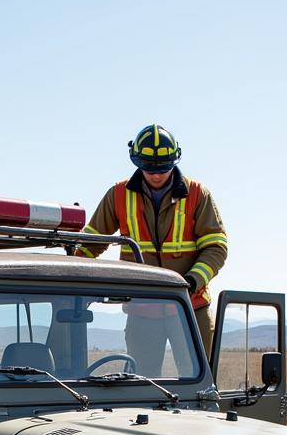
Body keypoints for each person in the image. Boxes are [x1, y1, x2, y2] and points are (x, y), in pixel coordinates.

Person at [75, 124, 227, 373]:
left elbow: (216, 247)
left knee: (201, 379)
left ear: (175, 161)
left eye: (164, 168)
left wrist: (192, 281)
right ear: (136, 162)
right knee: (144, 382)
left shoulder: (199, 195)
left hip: (190, 307)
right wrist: (73, 271)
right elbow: (92, 243)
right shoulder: (118, 195)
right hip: (142, 310)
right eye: (149, 169)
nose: (156, 175)